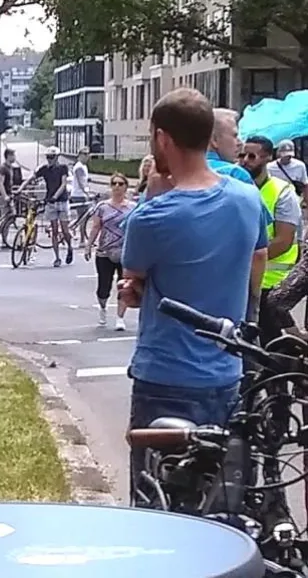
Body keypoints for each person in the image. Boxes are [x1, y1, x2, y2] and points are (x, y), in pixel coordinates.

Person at [118, 88, 267, 504]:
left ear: (162, 138)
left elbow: (132, 285)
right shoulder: (247, 199)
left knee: (157, 504)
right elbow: (256, 257)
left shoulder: (153, 216)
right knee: (221, 500)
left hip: (166, 377)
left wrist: (152, 196)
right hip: (227, 375)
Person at [239, 136, 301, 344]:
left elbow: (284, 240)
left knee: (270, 344)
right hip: (241, 280)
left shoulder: (282, 192)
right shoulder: (235, 187)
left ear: (267, 158)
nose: (244, 161)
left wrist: (245, 261)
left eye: (252, 156)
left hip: (271, 282)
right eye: (242, 155)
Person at [84, 173, 135, 331]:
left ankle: (120, 317)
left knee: (124, 285)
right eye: (114, 184)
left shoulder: (132, 207)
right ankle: (103, 307)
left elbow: (137, 228)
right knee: (103, 286)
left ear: (126, 187)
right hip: (105, 251)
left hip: (125, 251)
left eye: (121, 184)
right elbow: (96, 227)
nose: (117, 187)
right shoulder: (102, 207)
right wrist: (88, 245)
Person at [19, 146, 73, 267]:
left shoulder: (63, 168)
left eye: (52, 157)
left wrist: (55, 196)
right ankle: (57, 257)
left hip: (62, 201)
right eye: (48, 157)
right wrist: (20, 189)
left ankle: (69, 247)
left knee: (65, 230)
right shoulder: (44, 169)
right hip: (50, 203)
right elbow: (31, 178)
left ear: (57, 157)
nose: (49, 159)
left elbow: (63, 184)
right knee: (54, 230)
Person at [206, 108, 255, 185]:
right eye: (235, 136)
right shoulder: (235, 174)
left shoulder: (186, 170)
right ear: (214, 140)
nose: (239, 143)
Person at [0, 148, 24, 217]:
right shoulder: (3, 168)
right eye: (13, 155)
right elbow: (0, 183)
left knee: (12, 215)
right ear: (8, 156)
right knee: (6, 216)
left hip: (9, 195)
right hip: (3, 196)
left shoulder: (10, 167)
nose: (15, 157)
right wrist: (5, 196)